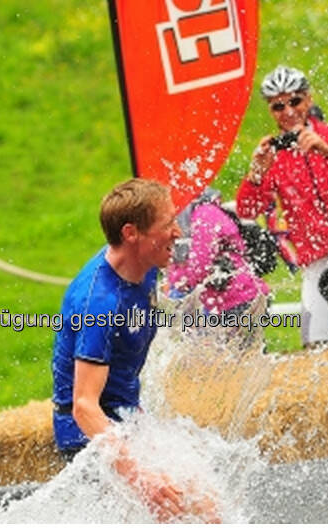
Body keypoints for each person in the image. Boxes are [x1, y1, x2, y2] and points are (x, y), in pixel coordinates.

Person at [50, 178, 216, 522]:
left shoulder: (145, 263)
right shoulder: (99, 303)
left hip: (128, 417)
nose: (178, 232)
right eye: (167, 224)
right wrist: (140, 477)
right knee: (169, 509)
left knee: (206, 504)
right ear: (131, 233)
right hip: (89, 439)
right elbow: (84, 407)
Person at [236, 65, 328, 348]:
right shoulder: (273, 155)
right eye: (278, 106)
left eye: (295, 101)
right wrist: (256, 174)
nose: (288, 111)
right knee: (316, 347)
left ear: (309, 99)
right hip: (315, 260)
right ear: (270, 111)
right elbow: (248, 211)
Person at [167, 188, 270, 333]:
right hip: (232, 300)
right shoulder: (203, 212)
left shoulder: (204, 214)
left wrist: (176, 284)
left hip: (238, 301)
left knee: (235, 354)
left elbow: (201, 265)